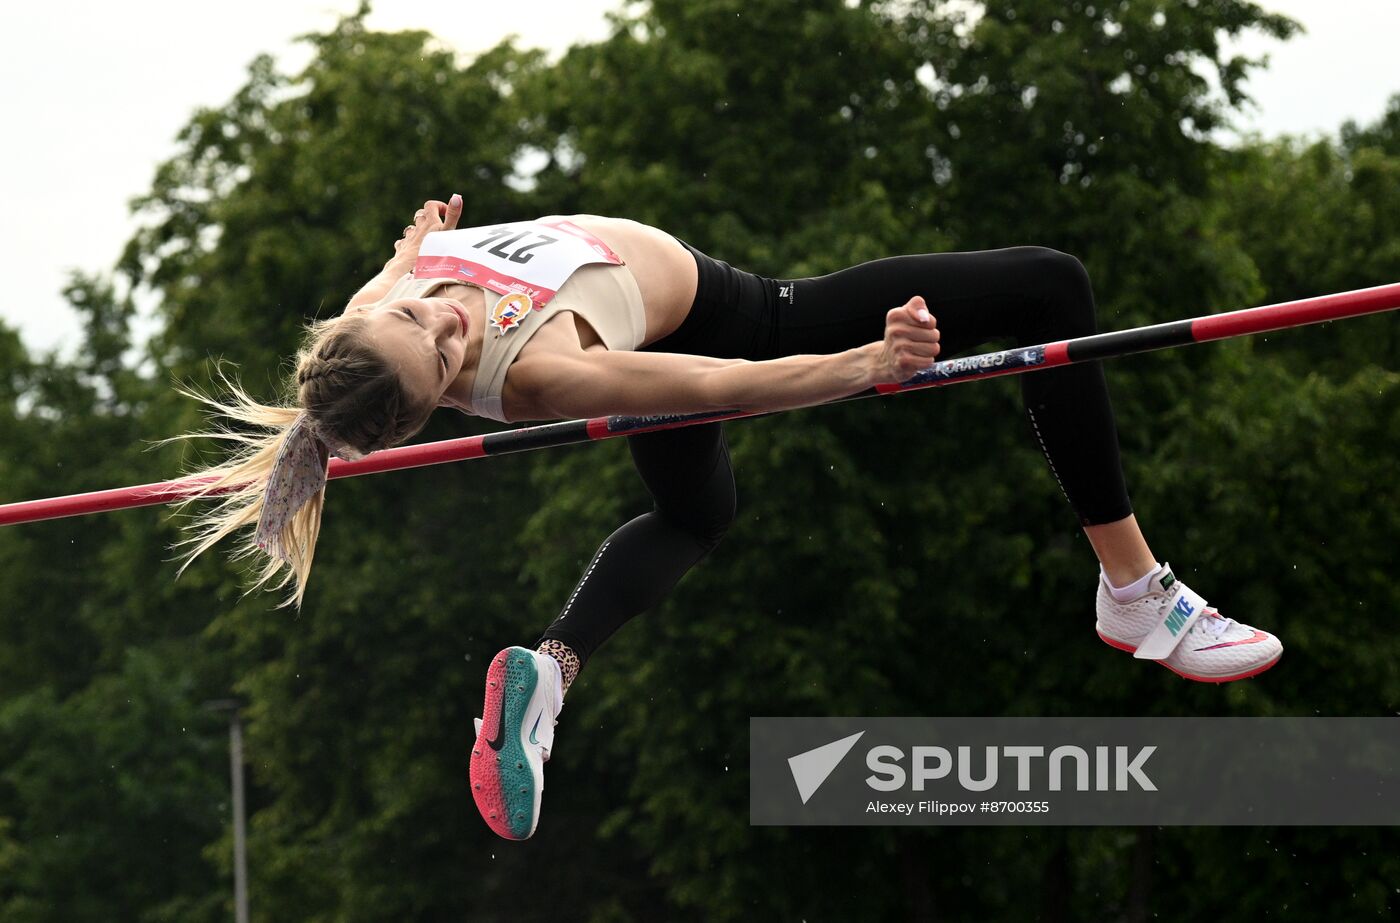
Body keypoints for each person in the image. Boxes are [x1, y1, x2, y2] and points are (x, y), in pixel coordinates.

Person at [171, 195, 1282, 842]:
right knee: (1050, 286)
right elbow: (719, 388)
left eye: (430, 313)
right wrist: (866, 360)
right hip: (741, 321)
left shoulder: (377, 312)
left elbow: (390, 293)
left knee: (697, 515)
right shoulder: (546, 373)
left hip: (687, 324)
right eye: (446, 350)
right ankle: (1135, 592)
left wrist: (410, 247)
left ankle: (551, 670)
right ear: (438, 394)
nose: (450, 319)